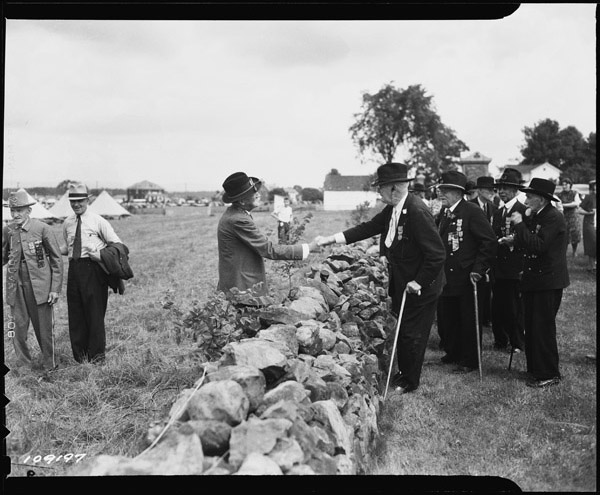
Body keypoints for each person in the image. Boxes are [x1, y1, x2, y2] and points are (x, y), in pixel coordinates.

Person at [317, 162, 446, 393]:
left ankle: (409, 381)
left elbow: (437, 254)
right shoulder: (394, 209)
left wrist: (419, 281)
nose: (378, 192)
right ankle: (404, 373)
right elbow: (367, 228)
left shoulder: (416, 211)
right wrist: (330, 239)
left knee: (411, 333)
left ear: (394, 189)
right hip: (405, 282)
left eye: (381, 188)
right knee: (406, 330)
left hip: (421, 285)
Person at [508, 178, 569, 388]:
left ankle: (549, 373)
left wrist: (519, 225)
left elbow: (539, 245)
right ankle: (535, 369)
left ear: (541, 199)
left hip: (548, 281)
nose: (526, 199)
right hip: (535, 280)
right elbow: (531, 238)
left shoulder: (553, 217)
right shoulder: (538, 215)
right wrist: (514, 239)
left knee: (542, 328)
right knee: (532, 327)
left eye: (530, 196)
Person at [217, 172, 320, 297]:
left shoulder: (236, 214)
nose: (259, 194)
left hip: (240, 287)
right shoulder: (238, 219)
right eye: (254, 193)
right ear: (242, 200)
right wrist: (308, 248)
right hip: (242, 290)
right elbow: (269, 249)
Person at [435, 171, 497, 373]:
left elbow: (488, 242)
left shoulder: (472, 211)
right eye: (440, 189)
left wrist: (478, 269)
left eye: (445, 190)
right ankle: (453, 353)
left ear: (457, 192)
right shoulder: (444, 213)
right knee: (450, 317)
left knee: (469, 319)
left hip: (468, 276)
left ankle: (470, 360)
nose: (440, 193)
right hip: (448, 276)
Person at [2, 189, 63, 371]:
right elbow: (4, 256)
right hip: (15, 284)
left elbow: (56, 259)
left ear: (29, 210)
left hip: (40, 285)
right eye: (13, 210)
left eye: (20, 210)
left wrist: (55, 288)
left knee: (44, 328)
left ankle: (49, 365)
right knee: (15, 327)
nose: (16, 214)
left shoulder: (42, 228)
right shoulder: (8, 230)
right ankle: (24, 365)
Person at [63, 182, 122, 364]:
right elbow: (68, 246)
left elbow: (118, 245)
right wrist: (51, 249)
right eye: (73, 201)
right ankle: (80, 358)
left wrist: (100, 255)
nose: (76, 205)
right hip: (74, 270)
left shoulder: (99, 221)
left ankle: (97, 358)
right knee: (76, 314)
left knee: (95, 314)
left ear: (87, 200)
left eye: (80, 201)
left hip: (94, 271)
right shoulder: (67, 223)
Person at [491, 168, 527, 354]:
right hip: (499, 266)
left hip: (514, 266)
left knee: (513, 307)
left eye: (506, 188)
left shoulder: (523, 211)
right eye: (500, 188)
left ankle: (517, 342)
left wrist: (514, 241)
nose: (502, 191)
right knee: (497, 306)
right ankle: (500, 339)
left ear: (516, 190)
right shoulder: (498, 212)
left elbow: (527, 239)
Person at [557, 178, 582, 257]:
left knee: (575, 234)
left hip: (573, 216)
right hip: (564, 216)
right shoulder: (560, 195)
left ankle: (574, 251)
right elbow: (558, 204)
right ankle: (563, 253)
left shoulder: (575, 193)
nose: (564, 186)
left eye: (566, 184)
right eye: (563, 185)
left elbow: (576, 203)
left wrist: (564, 205)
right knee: (564, 235)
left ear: (570, 185)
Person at [577, 179, 596, 272]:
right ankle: (591, 266)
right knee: (592, 243)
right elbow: (579, 210)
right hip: (590, 223)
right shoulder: (589, 197)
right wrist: (590, 212)